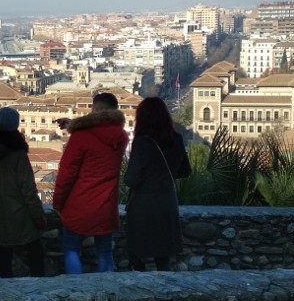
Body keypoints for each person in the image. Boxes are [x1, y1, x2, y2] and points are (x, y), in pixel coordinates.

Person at [52, 92, 129, 274]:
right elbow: (100, 133)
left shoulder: (80, 137)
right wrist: (73, 124)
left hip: (79, 205)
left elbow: (66, 174)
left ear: (94, 109)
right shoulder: (121, 137)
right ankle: (107, 293)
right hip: (106, 206)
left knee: (71, 249)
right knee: (104, 252)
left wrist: (58, 203)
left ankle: (78, 292)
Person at [123, 97, 191, 271]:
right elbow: (185, 171)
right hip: (167, 201)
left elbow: (132, 178)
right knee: (163, 256)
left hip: (143, 204)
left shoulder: (141, 143)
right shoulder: (177, 139)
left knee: (139, 254)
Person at [0, 107, 47, 278]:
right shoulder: (18, 154)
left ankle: (6, 293)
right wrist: (38, 215)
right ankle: (38, 289)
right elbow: (27, 188)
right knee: (36, 253)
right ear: (15, 125)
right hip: (19, 212)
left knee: (4, 256)